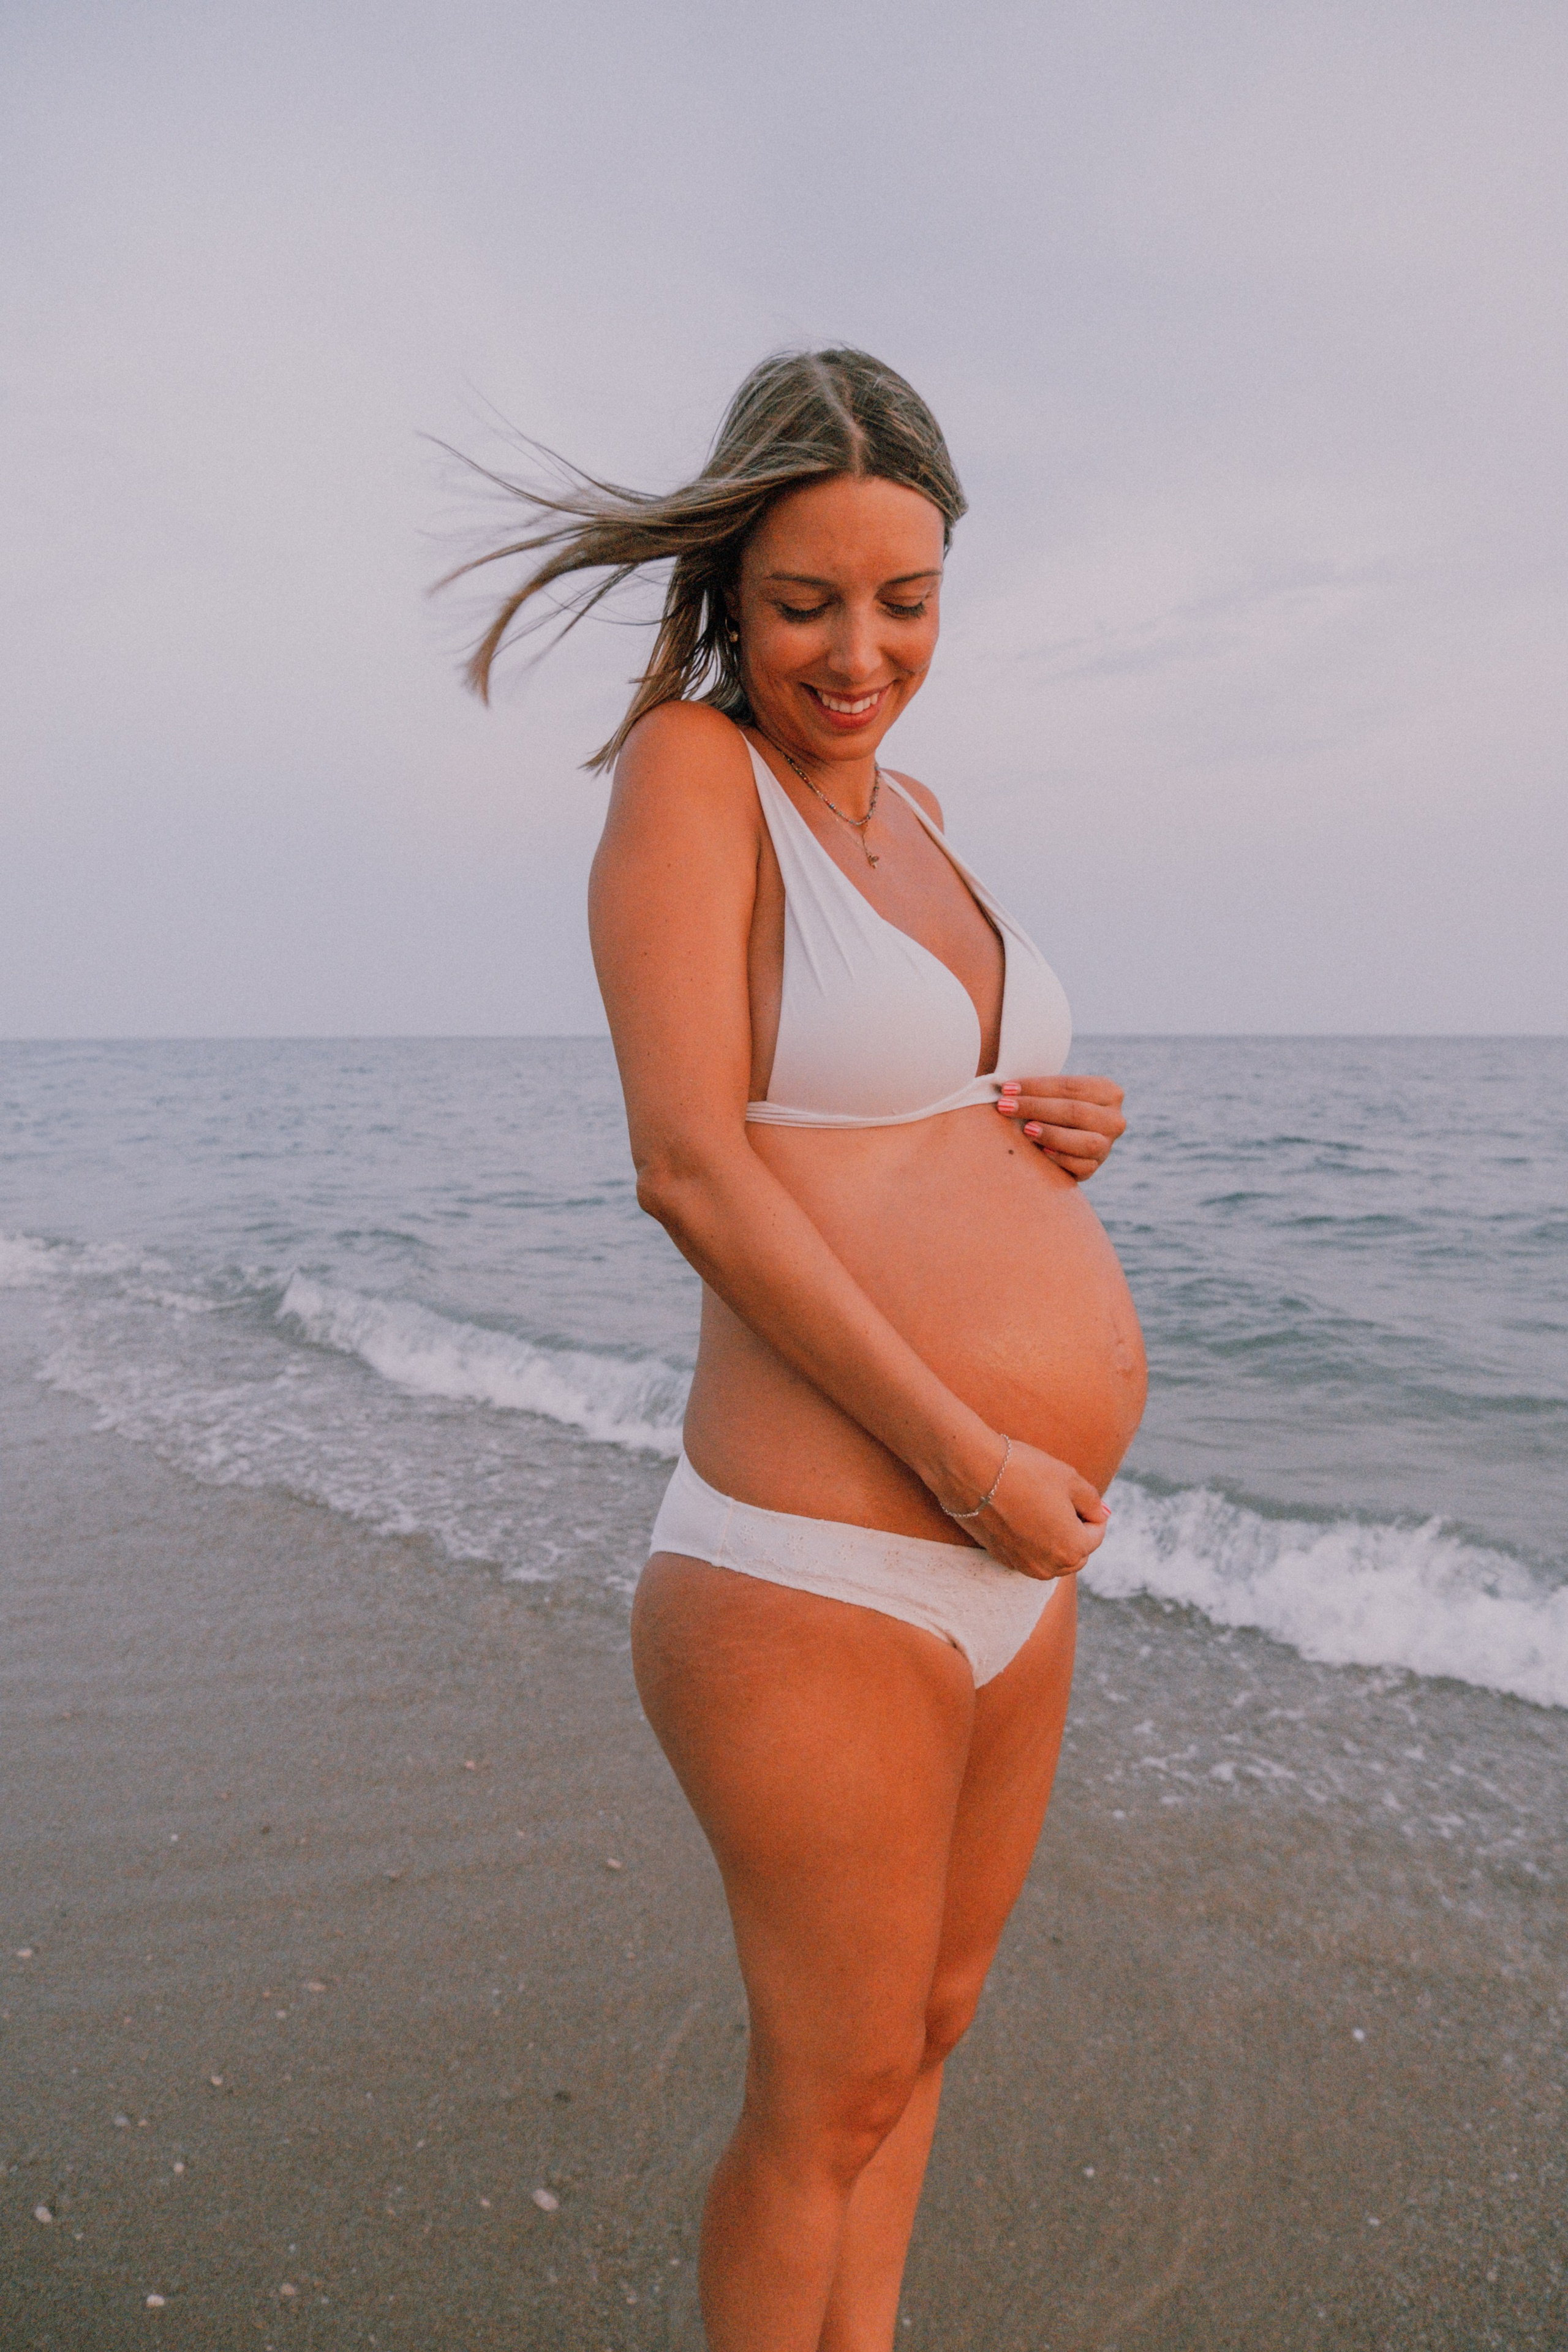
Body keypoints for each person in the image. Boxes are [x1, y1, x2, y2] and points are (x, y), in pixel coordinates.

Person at [453, 347, 1146, 2351]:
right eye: (805, 600)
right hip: (822, 1567)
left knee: (929, 2036)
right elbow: (691, 1165)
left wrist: (1052, 1123)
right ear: (723, 591)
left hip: (1019, 1557)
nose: (860, 651)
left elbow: (896, 1131)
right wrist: (968, 1457)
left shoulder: (922, 812)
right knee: (825, 2088)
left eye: (904, 601)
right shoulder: (692, 775)